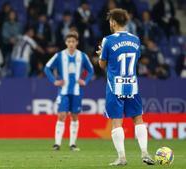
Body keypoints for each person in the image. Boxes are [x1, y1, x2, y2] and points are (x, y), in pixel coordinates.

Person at [96, 8, 155, 166]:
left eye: (110, 21)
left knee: (117, 121)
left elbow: (102, 65)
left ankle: (122, 157)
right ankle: (145, 153)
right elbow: (135, 60)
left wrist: (101, 55)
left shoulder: (108, 40)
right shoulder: (135, 39)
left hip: (115, 86)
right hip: (132, 85)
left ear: (113, 22)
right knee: (138, 119)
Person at [44, 31, 94, 151]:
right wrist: (54, 81)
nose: (71, 44)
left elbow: (91, 70)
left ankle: (72, 144)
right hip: (64, 91)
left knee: (74, 116)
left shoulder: (82, 56)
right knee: (61, 115)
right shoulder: (59, 55)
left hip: (76, 91)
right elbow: (47, 68)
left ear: (77, 42)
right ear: (66, 42)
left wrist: (85, 81)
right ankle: (57, 144)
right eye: (69, 41)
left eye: (73, 41)